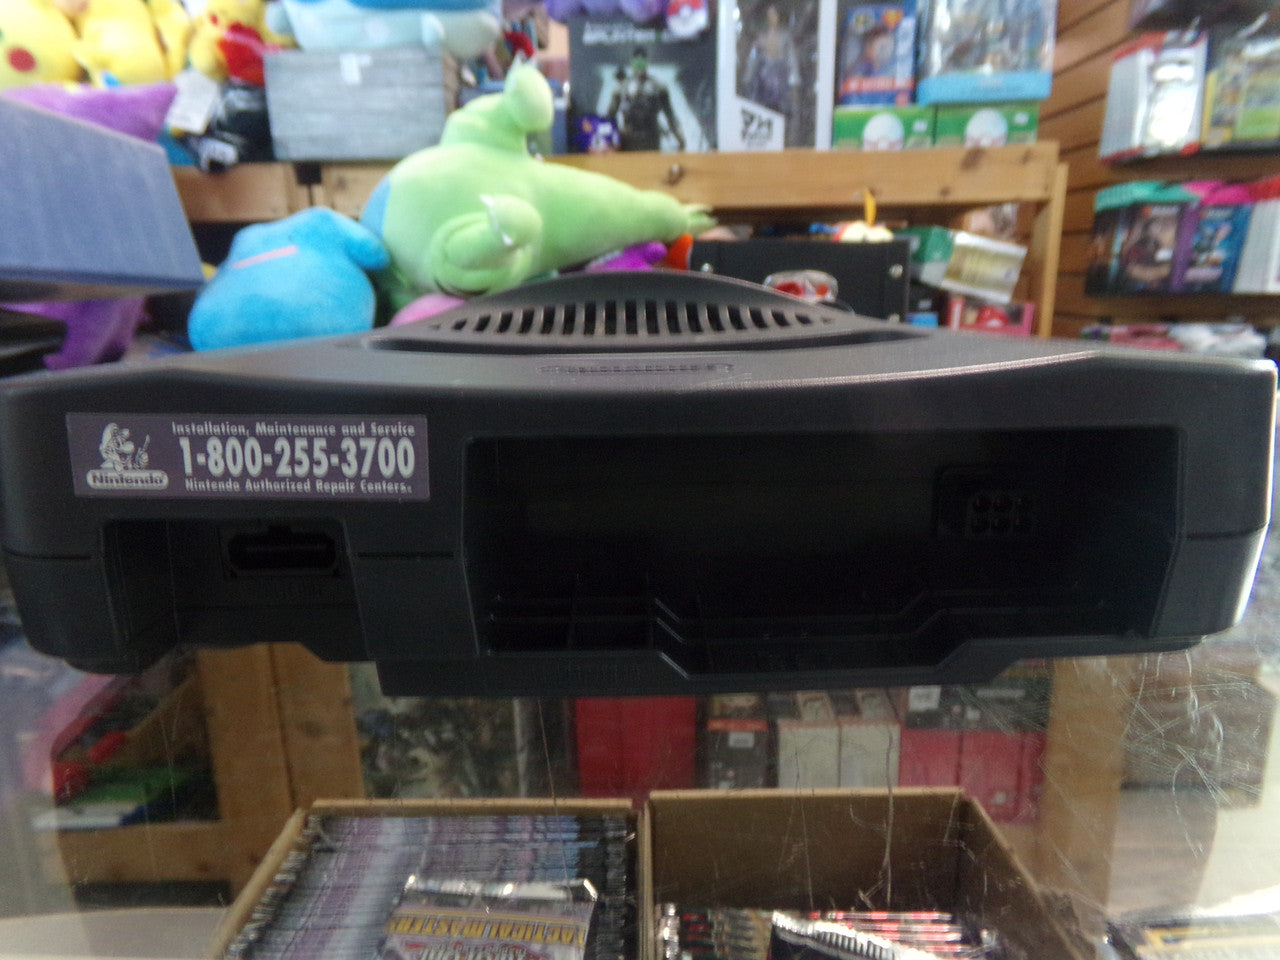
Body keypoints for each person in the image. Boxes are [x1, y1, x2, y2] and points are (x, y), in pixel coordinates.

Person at [606, 47, 686, 151]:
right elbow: (610, 116)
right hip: (628, 138)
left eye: (642, 63)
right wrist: (608, 140)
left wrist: (679, 138)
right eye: (637, 63)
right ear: (632, 64)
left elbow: (670, 115)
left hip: (651, 138)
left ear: (647, 64)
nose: (640, 68)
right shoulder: (621, 88)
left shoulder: (658, 87)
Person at [741, 5, 799, 119]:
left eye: (774, 15)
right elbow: (753, 59)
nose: (771, 18)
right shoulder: (761, 37)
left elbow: (791, 60)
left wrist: (794, 81)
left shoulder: (785, 37)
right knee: (763, 111)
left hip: (780, 81)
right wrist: (748, 77)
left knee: (780, 111)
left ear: (778, 17)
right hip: (763, 81)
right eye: (769, 15)